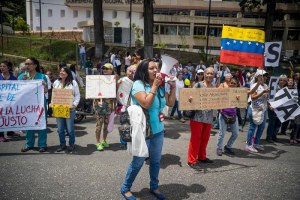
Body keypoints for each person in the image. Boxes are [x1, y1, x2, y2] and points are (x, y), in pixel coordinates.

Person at [120, 59, 175, 200]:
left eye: (157, 68)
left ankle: (154, 187)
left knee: (156, 161)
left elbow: (170, 102)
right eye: (152, 68)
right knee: (138, 161)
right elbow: (145, 104)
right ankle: (125, 188)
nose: (156, 70)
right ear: (144, 70)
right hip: (142, 131)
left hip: (158, 131)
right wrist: (155, 87)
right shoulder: (138, 85)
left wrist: (173, 88)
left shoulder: (159, 85)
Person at [187, 67, 215, 171]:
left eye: (211, 74)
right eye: (207, 73)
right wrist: (190, 98)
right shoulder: (198, 85)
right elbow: (189, 97)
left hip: (208, 117)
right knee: (195, 139)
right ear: (204, 74)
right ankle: (192, 160)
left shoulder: (213, 88)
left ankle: (202, 157)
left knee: (205, 139)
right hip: (197, 117)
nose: (209, 75)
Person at [18, 57, 48, 153]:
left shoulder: (42, 76)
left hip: (39, 104)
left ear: (35, 65)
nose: (27, 66)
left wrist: (44, 85)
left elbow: (46, 91)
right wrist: (22, 82)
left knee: (41, 124)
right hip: (27, 105)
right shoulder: (22, 76)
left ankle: (42, 145)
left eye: (29, 64)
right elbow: (17, 91)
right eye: (26, 64)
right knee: (28, 124)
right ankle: (29, 144)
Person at [52, 67, 80, 152]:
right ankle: (62, 144)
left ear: (68, 73)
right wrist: (52, 103)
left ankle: (71, 144)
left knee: (70, 129)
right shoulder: (56, 82)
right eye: (60, 71)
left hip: (70, 110)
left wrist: (74, 104)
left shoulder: (73, 82)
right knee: (60, 129)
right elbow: (53, 95)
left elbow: (77, 95)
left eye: (64, 71)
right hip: (58, 109)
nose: (61, 72)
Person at [94, 63, 117, 151]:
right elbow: (93, 91)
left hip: (109, 105)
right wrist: (96, 102)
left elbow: (115, 95)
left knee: (106, 124)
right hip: (100, 104)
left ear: (111, 70)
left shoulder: (114, 80)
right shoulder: (98, 79)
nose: (105, 70)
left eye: (107, 68)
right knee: (99, 124)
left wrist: (114, 106)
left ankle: (104, 140)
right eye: (104, 68)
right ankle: (97, 142)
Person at [245, 69, 269, 153]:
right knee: (253, 127)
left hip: (263, 109)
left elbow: (267, 98)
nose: (264, 77)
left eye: (265, 76)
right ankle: (248, 145)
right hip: (254, 109)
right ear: (257, 77)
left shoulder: (266, 85)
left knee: (262, 127)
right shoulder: (254, 85)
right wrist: (262, 92)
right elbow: (253, 97)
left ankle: (256, 143)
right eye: (261, 75)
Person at [216, 77, 241, 156]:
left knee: (236, 133)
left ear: (237, 85)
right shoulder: (224, 91)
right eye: (231, 83)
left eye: (234, 83)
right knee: (222, 133)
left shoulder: (239, 94)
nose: (232, 85)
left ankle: (228, 146)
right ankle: (219, 148)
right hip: (223, 114)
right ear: (229, 83)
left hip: (233, 115)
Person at [0, 60, 20, 142]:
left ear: (8, 68)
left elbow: (18, 90)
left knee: (10, 116)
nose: (2, 68)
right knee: (1, 117)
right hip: (0, 101)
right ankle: (1, 135)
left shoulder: (14, 78)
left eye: (4, 66)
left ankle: (10, 132)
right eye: (1, 66)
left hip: (10, 101)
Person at [266, 75, 288, 143]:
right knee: (272, 123)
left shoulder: (287, 89)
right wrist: (269, 105)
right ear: (278, 80)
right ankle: (269, 137)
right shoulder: (273, 87)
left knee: (278, 123)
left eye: (284, 80)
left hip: (281, 108)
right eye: (281, 80)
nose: (282, 81)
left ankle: (274, 136)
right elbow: (268, 96)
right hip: (272, 107)